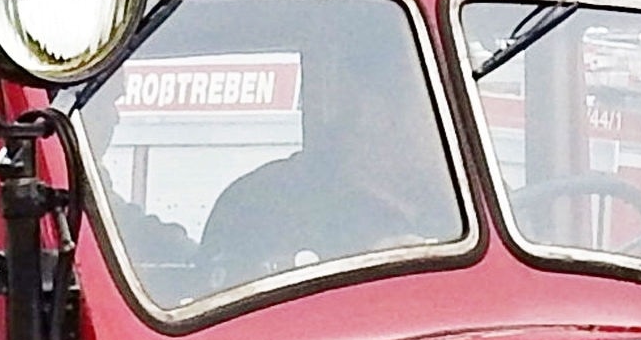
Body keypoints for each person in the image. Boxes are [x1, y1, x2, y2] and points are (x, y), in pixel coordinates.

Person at [186, 51, 459, 294]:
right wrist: (367, 276)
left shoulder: (483, 206)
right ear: (373, 113)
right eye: (434, 108)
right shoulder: (257, 206)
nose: (458, 127)